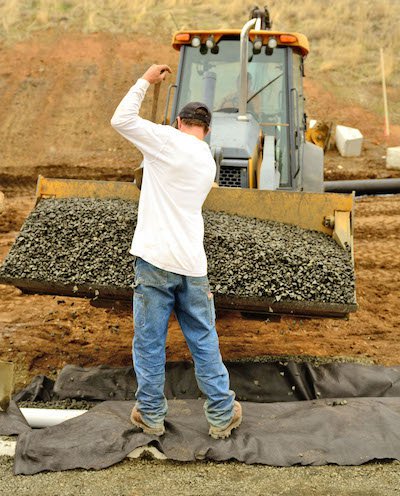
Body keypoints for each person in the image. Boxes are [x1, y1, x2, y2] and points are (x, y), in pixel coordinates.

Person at [111, 64, 242, 439]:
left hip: (155, 261)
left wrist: (146, 80)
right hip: (193, 264)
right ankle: (221, 413)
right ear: (207, 129)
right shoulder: (205, 160)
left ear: (178, 121)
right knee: (203, 338)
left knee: (150, 341)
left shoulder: (166, 140)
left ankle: (151, 416)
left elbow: (121, 119)